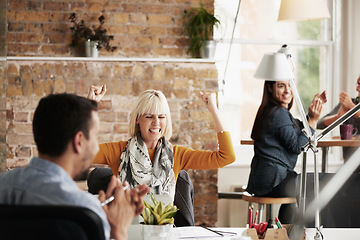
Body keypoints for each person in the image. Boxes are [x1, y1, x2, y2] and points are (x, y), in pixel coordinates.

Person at [0, 93, 149, 240]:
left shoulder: (3, 185)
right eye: (95, 137)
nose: (96, 148)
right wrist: (119, 229)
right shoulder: (86, 212)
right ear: (79, 141)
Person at [87, 85, 236, 200]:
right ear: (138, 119)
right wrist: (89, 106)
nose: (156, 123)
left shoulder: (177, 155)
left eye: (161, 117)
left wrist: (214, 110)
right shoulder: (117, 151)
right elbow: (75, 151)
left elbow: (226, 157)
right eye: (149, 116)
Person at [246, 81, 324, 223]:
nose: (287, 90)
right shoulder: (280, 114)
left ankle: (287, 233)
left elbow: (297, 129)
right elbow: (296, 145)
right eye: (281, 86)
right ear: (269, 88)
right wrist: (312, 121)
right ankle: (307, 233)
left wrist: (311, 117)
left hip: (262, 180)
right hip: (273, 180)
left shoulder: (271, 110)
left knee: (305, 187)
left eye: (290, 85)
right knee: (315, 185)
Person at [317, 75, 360, 164]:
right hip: (348, 166)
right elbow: (319, 124)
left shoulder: (349, 104)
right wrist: (338, 117)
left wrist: (352, 107)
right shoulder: (347, 103)